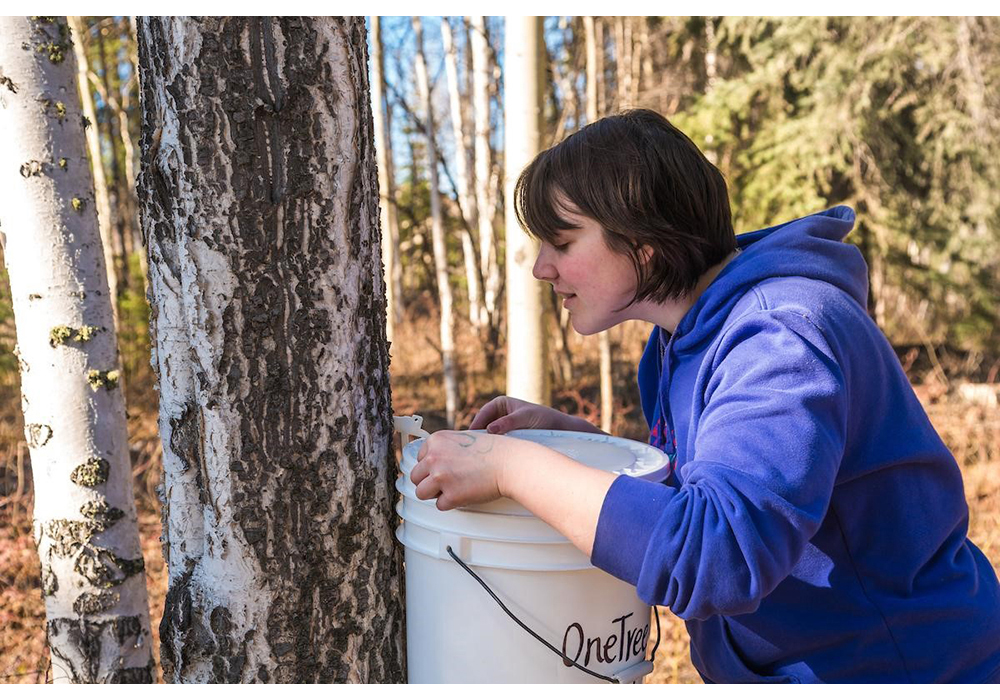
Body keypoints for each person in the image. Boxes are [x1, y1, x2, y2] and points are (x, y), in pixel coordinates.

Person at [408, 109, 1000, 683]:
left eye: (561, 242)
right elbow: (714, 487)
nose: (541, 267)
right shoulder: (679, 341)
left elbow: (718, 554)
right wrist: (582, 445)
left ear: (643, 242)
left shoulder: (780, 336)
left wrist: (513, 467)